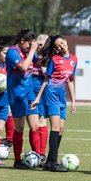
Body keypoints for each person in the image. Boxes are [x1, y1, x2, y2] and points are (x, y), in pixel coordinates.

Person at [31, 35, 77, 172]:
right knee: (55, 127)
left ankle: (49, 162)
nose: (62, 46)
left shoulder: (74, 59)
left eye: (62, 43)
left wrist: (73, 101)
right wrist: (38, 98)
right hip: (51, 94)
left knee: (61, 129)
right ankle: (53, 163)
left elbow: (70, 80)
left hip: (62, 96)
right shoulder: (55, 60)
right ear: (55, 48)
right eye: (58, 45)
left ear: (66, 41)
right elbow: (46, 79)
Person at [5, 29, 41, 169]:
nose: (30, 46)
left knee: (35, 126)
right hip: (17, 95)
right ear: (22, 41)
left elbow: (41, 62)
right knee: (19, 128)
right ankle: (17, 160)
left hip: (30, 94)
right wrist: (32, 51)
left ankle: (38, 156)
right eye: (29, 44)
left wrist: (47, 51)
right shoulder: (12, 52)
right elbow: (24, 67)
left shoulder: (29, 51)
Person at [30, 34, 49, 166]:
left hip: (42, 94)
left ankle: (41, 154)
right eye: (40, 44)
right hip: (29, 93)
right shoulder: (30, 56)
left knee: (42, 122)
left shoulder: (47, 58)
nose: (41, 47)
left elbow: (47, 74)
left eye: (44, 44)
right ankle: (35, 152)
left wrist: (43, 61)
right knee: (33, 124)